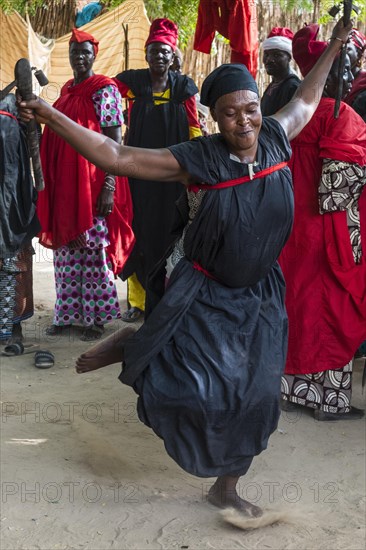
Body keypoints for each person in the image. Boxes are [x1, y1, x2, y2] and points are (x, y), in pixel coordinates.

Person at [19, 17, 353, 515]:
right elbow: (115, 155)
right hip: (206, 293)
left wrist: (335, 45)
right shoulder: (199, 158)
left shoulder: (279, 139)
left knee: (259, 398)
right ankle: (139, 341)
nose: (245, 121)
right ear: (215, 118)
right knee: (193, 391)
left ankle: (227, 483)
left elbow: (305, 98)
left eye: (251, 109)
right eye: (231, 113)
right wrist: (48, 113)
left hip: (261, 295)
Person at [279, 24, 366, 421]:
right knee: (330, 307)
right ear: (322, 72)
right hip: (327, 227)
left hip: (292, 220)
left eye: (350, 68)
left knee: (296, 300)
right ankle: (327, 403)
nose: (347, 77)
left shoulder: (291, 109)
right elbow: (335, 191)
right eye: (338, 68)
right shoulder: (340, 113)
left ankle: (292, 390)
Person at [37, 28, 134, 341]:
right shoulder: (67, 90)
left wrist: (109, 184)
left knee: (92, 251)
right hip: (66, 185)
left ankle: (95, 319)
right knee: (66, 253)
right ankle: (66, 315)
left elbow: (114, 139)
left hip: (92, 184)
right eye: (74, 52)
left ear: (94, 54)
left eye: (84, 52)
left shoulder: (103, 90)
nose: (79, 58)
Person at [114, 18, 201, 323]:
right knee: (139, 233)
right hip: (138, 175)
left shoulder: (183, 88)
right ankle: (137, 302)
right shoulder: (133, 83)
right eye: (154, 51)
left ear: (172, 55)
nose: (159, 57)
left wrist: (197, 170)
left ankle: (167, 297)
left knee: (170, 234)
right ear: (146, 54)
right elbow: (108, 92)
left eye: (165, 52)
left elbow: (194, 128)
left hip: (173, 177)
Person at [0, 93, 40, 344]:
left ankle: (13, 326)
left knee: (14, 263)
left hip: (13, 195)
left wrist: (32, 118)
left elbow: (36, 141)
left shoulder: (14, 105)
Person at [261, 27, 301, 116]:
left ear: (289, 58)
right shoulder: (274, 85)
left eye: (277, 55)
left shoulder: (292, 87)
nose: (269, 60)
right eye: (266, 55)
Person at [344, 28, 366, 120]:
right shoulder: (331, 82)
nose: (341, 53)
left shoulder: (363, 88)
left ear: (359, 54)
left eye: (347, 49)